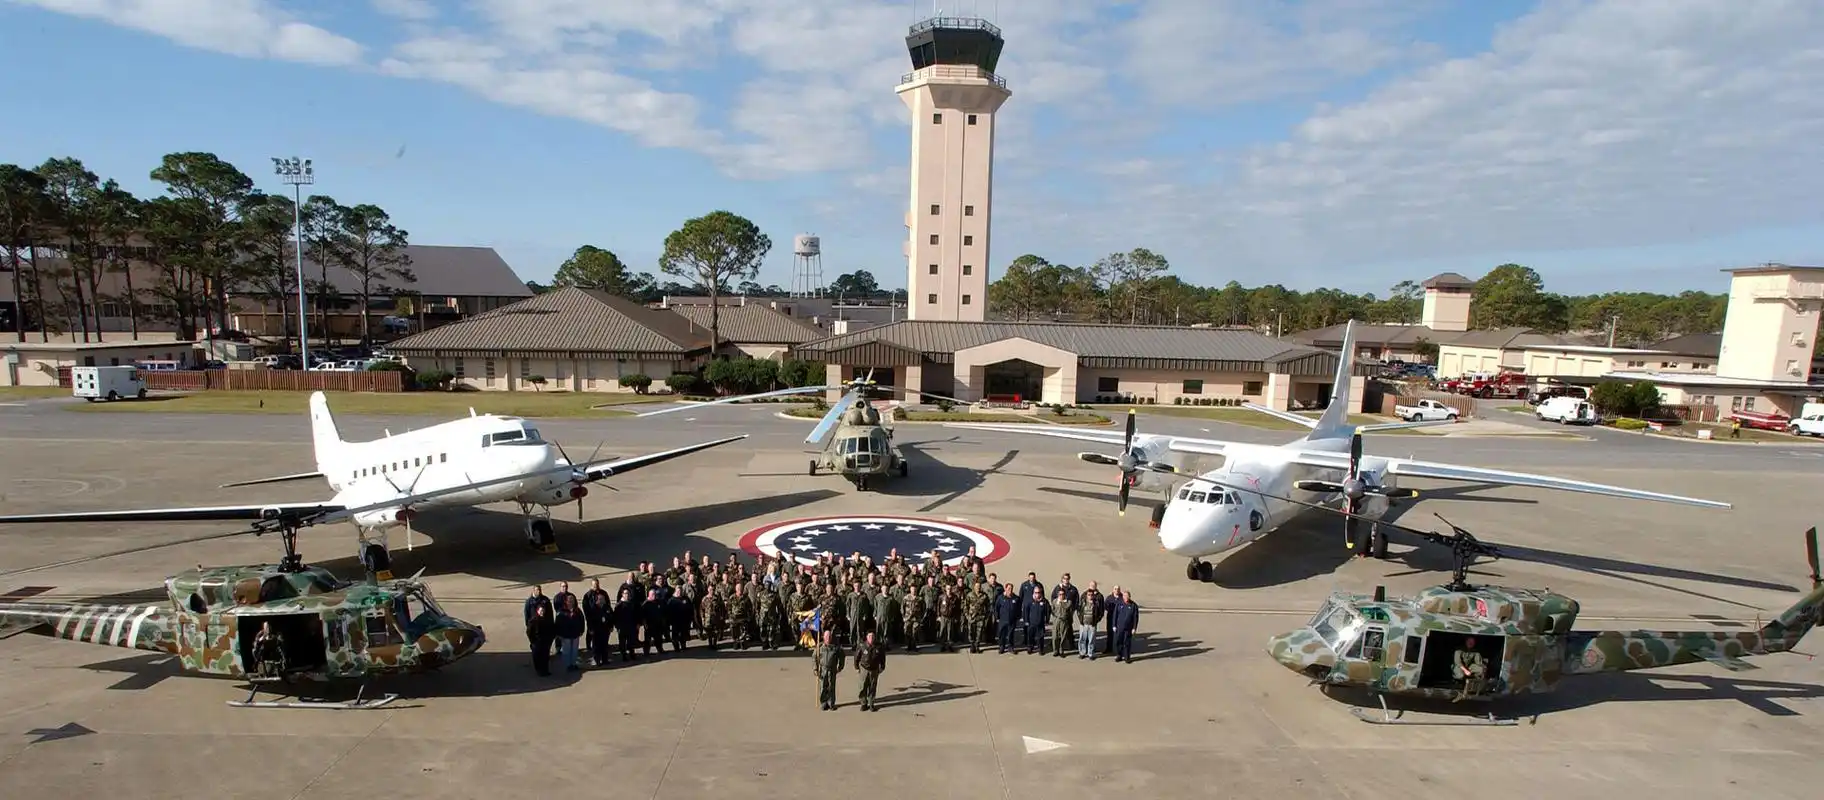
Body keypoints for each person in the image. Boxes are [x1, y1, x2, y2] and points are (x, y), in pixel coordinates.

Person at [854, 631, 887, 712]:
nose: (871, 638)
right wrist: (856, 667)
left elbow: (882, 657)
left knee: (872, 687)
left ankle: (871, 703)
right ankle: (863, 703)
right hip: (864, 669)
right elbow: (856, 657)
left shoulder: (879, 646)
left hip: (874, 669)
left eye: (872, 636)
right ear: (866, 637)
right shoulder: (862, 646)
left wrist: (882, 667)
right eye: (869, 636)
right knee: (863, 686)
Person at [582, 578, 612, 667]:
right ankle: (596, 658)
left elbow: (609, 607)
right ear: (591, 585)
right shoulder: (588, 595)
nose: (596, 586)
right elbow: (585, 607)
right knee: (595, 643)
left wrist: (610, 625)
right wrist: (588, 619)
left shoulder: (604, 593)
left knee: (604, 644)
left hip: (604, 626)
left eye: (597, 584)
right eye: (594, 585)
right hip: (594, 622)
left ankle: (605, 659)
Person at [813, 630, 846, 711]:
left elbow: (842, 656)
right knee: (823, 686)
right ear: (823, 637)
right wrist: (815, 669)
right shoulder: (820, 647)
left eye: (829, 636)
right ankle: (824, 703)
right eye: (826, 636)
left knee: (831, 686)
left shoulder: (835, 647)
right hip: (823, 669)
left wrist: (840, 666)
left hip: (832, 669)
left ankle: (831, 703)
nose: (828, 638)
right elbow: (814, 658)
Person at [554, 594, 585, 671]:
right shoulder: (561, 611)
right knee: (566, 651)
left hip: (575, 634)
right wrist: (558, 634)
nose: (571, 602)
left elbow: (582, 621)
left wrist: (581, 630)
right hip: (565, 635)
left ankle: (573, 664)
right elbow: (557, 623)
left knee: (574, 650)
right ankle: (568, 665)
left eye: (572, 600)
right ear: (566, 602)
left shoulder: (577, 611)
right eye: (569, 601)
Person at [1453, 638, 1488, 702]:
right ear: (1466, 642)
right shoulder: (1459, 650)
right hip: (1459, 667)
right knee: (1460, 675)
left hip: (1468, 667)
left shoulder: (1475, 651)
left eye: (1472, 642)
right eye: (1469, 641)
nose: (1471, 643)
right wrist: (1465, 671)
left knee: (1481, 669)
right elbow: (1457, 662)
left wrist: (1484, 667)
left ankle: (1474, 682)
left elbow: (1479, 662)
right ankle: (1459, 683)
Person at [1076, 582, 1104, 660]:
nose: (1090, 596)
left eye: (1091, 595)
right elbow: (1078, 611)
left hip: (1092, 624)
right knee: (1082, 639)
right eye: (1088, 595)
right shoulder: (1083, 602)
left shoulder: (1096, 603)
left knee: (1091, 639)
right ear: (1086, 595)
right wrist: (1080, 620)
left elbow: (1101, 612)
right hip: (1083, 624)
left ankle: (1090, 653)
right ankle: (1082, 653)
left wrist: (1096, 621)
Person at [1049, 582, 1077, 658]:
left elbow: (1070, 612)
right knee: (1055, 636)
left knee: (1063, 636)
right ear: (1058, 595)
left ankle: (1061, 650)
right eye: (1060, 594)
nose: (1061, 596)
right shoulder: (1055, 601)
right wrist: (1055, 617)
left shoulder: (1068, 602)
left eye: (1062, 594)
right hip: (1056, 620)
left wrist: (1069, 620)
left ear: (1064, 595)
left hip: (1064, 621)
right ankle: (1055, 650)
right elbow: (1052, 610)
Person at [527, 604, 556, 676]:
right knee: (537, 657)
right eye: (540, 611)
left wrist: (551, 639)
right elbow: (529, 632)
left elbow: (552, 630)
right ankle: (539, 671)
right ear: (537, 611)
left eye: (543, 610)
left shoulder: (547, 619)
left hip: (546, 642)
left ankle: (545, 670)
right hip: (537, 642)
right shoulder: (533, 620)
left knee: (545, 657)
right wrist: (533, 641)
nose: (542, 612)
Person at [613, 588, 641, 662]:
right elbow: (615, 617)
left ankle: (632, 653)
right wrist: (617, 626)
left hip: (631, 626)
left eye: (628, 593)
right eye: (625, 593)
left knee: (631, 641)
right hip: (622, 627)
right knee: (622, 642)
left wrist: (637, 623)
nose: (627, 595)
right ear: (622, 594)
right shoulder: (619, 605)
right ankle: (624, 655)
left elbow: (636, 614)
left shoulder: (631, 603)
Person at [1112, 590, 1140, 663]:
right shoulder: (1119, 604)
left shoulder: (1133, 605)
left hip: (1128, 628)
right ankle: (1119, 655)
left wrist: (1134, 628)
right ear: (1123, 597)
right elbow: (1115, 615)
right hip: (1119, 627)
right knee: (1119, 642)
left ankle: (1127, 657)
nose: (1126, 597)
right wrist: (1114, 625)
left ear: (1129, 597)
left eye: (1127, 596)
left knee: (1127, 643)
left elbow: (1135, 618)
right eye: (1124, 596)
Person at [1022, 587, 1050, 654]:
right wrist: (1026, 621)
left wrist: (1047, 620)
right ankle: (1030, 647)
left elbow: (1048, 611)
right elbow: (1025, 611)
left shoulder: (1044, 601)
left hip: (1040, 623)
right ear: (1033, 593)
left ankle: (1041, 649)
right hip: (1031, 623)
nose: (1037, 594)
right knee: (1030, 636)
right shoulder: (1029, 601)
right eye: (1036, 592)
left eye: (1039, 592)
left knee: (1041, 637)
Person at [994, 585, 1020, 654]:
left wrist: (1018, 617)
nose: (1010, 590)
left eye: (1011, 589)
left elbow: (1019, 609)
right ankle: (1002, 646)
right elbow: (996, 608)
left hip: (1012, 620)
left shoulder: (1016, 598)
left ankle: (1010, 647)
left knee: (1011, 634)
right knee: (1002, 634)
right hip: (1003, 620)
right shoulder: (1000, 598)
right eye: (1008, 588)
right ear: (1005, 589)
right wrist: (997, 617)